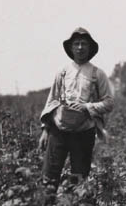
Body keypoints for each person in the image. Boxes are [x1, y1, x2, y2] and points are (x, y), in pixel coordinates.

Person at [38, 27, 114, 190]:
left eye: (84, 44)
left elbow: (109, 103)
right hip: (59, 130)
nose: (80, 47)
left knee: (79, 179)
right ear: (71, 48)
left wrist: (87, 106)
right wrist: (45, 130)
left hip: (84, 131)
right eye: (77, 44)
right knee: (49, 176)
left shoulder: (97, 74)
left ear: (90, 48)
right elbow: (52, 101)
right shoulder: (63, 72)